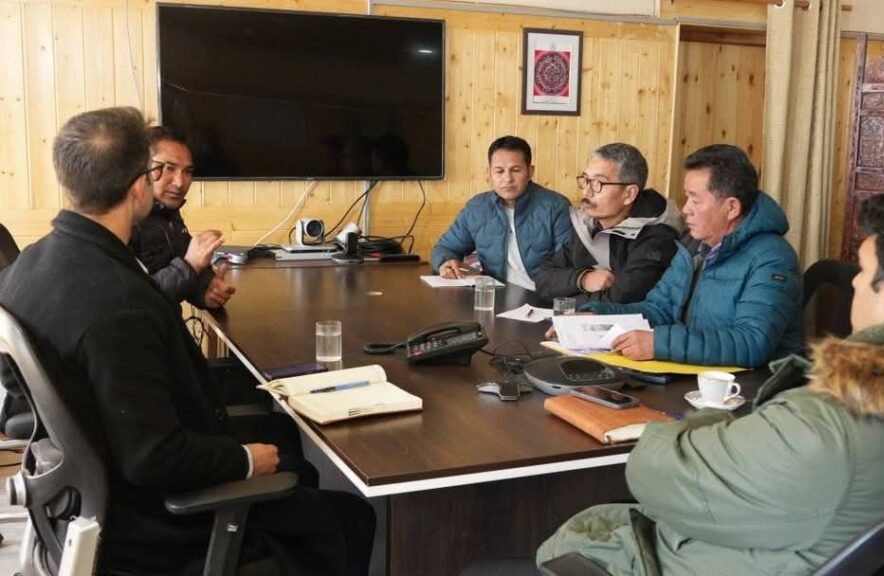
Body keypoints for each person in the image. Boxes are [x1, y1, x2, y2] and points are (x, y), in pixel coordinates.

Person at [537, 181, 884, 575]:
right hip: (810, 536)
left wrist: (694, 425)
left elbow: (658, 473)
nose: (855, 281)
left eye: (863, 270)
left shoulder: (828, 425)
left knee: (567, 537)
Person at [0, 107, 374, 575]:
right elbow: (153, 457)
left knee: (295, 466)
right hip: (155, 527)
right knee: (350, 516)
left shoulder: (26, 268)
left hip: (83, 502)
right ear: (140, 186)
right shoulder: (120, 305)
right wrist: (242, 460)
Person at [583, 144, 803, 368]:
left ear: (731, 208)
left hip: (751, 384)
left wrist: (660, 343)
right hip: (692, 373)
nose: (686, 209)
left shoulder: (773, 259)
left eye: (695, 200)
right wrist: (599, 316)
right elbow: (659, 309)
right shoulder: (694, 245)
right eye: (687, 197)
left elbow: (751, 343)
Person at [534, 143, 683, 305]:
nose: (586, 191)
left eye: (598, 183)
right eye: (586, 180)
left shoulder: (657, 238)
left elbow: (620, 301)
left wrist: (564, 301)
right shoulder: (589, 224)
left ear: (629, 194)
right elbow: (543, 280)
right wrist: (583, 279)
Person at [431, 136, 572, 289]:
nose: (507, 178)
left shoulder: (556, 207)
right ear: (488, 173)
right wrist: (446, 261)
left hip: (544, 296)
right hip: (497, 293)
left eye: (515, 170)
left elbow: (569, 266)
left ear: (530, 171)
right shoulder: (477, 208)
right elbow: (445, 247)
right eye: (499, 171)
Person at [129, 126, 235, 309]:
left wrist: (206, 291)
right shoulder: (125, 221)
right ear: (142, 167)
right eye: (169, 168)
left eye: (187, 171)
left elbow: (178, 273)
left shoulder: (168, 213)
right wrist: (191, 264)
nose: (179, 182)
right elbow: (137, 302)